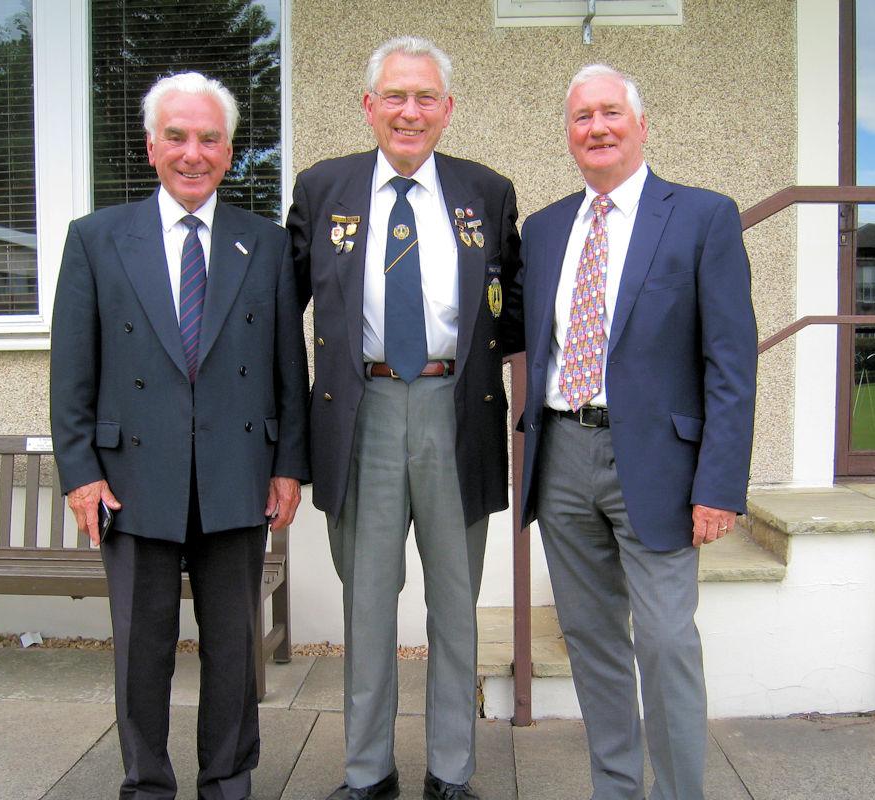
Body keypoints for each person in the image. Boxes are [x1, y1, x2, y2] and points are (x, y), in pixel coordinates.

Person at [50, 71, 309, 800]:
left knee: (234, 647)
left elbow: (291, 364)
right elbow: (71, 370)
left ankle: (227, 779)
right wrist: (80, 472)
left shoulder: (264, 243)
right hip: (131, 479)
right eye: (177, 137)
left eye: (209, 138)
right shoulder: (97, 240)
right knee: (141, 649)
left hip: (237, 474)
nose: (193, 153)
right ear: (150, 146)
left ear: (230, 152)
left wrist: (289, 465)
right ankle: (147, 783)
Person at [286, 35, 522, 800]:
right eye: (395, 95)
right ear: (369, 106)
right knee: (367, 606)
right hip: (365, 414)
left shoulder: (487, 192)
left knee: (455, 606)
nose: (409, 111)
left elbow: (515, 309)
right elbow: (275, 306)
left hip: (458, 412)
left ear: (447, 110)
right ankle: (367, 771)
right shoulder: (324, 189)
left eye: (425, 97)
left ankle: (452, 771)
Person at [516, 64, 757, 800]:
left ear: (642, 124)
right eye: (582, 117)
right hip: (560, 454)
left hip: (657, 466)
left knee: (665, 641)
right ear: (568, 134)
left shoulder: (702, 217)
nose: (597, 127)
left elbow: (731, 363)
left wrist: (719, 484)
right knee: (591, 643)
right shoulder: (546, 227)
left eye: (611, 113)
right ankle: (615, 788)